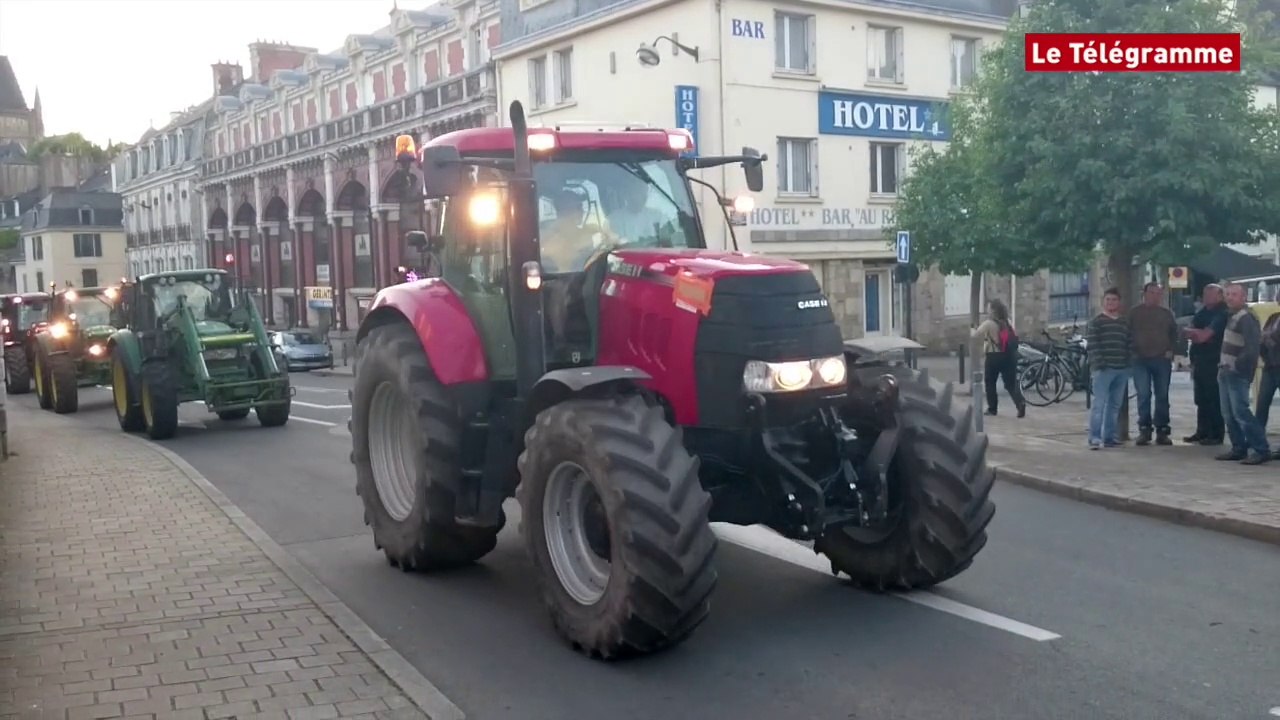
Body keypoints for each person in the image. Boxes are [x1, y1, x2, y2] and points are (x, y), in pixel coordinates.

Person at [1215, 283, 1270, 464]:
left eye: (1234, 294)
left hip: (1236, 373)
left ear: (1243, 297)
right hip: (1225, 370)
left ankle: (1261, 449)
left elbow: (1252, 346)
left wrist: (1239, 365)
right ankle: (1238, 447)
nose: (1229, 297)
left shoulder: (1246, 318)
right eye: (1227, 294)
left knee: (1241, 412)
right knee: (1228, 413)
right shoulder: (1233, 316)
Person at [1129, 281, 1179, 446]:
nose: (1155, 296)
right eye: (1152, 293)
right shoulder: (1134, 313)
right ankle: (1144, 429)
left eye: (1159, 294)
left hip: (1161, 359)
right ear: (1144, 293)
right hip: (1140, 359)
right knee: (1143, 394)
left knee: (1162, 395)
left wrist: (1171, 350)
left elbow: (1174, 334)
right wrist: (1132, 351)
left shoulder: (1167, 313)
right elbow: (1127, 333)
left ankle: (1162, 430)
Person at [1086, 287, 1132, 450]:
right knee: (1099, 404)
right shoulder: (1096, 322)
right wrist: (1100, 364)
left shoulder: (1124, 322)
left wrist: (1128, 363)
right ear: (1103, 302)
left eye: (1114, 300)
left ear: (1119, 302)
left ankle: (1110, 436)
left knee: (1114, 406)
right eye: (1108, 300)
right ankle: (1095, 437)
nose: (1111, 303)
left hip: (1122, 368)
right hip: (1103, 369)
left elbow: (1129, 343)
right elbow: (1093, 345)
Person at [1183, 284, 1229, 445]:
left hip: (1214, 361)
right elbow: (1188, 331)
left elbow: (1203, 336)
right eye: (1205, 294)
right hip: (1199, 360)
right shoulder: (1203, 312)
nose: (1207, 297)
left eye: (1211, 294)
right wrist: (1197, 334)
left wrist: (1197, 334)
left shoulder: (1222, 313)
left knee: (1213, 398)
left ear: (1220, 296)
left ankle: (1216, 434)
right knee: (1200, 398)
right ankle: (1202, 431)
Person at [971, 298, 1026, 418]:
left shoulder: (988, 323)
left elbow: (976, 335)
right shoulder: (1007, 322)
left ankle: (992, 408)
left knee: (990, 382)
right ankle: (1020, 402)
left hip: (993, 356)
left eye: (989, 308)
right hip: (1009, 355)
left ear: (993, 310)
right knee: (1010, 383)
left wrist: (972, 329)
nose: (987, 310)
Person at [1255, 312, 1280, 452]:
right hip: (1270, 367)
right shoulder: (1273, 317)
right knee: (1262, 406)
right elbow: (1261, 338)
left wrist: (1268, 338)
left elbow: (1271, 338)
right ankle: (1259, 445)